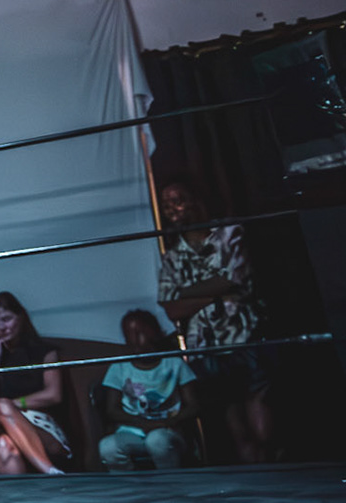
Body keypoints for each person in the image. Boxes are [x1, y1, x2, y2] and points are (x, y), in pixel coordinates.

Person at [156, 178, 274, 463]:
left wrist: (188, 292)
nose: (172, 209)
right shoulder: (173, 256)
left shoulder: (229, 234)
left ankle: (276, 463)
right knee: (231, 413)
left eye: (178, 199)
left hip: (244, 333)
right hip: (206, 345)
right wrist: (215, 293)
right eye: (166, 204)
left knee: (258, 403)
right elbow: (171, 307)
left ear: (195, 199)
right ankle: (259, 474)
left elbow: (234, 278)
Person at [0, 292, 70, 475]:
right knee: (0, 407)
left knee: (4, 445)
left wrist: (14, 405)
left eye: (7, 319)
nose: (2, 327)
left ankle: (24, 493)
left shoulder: (44, 352)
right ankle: (50, 472)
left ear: (21, 317)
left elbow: (54, 394)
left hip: (37, 423)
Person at [98, 310, 200, 471]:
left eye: (140, 333)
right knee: (108, 447)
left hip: (168, 430)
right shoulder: (119, 367)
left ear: (155, 333)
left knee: (157, 440)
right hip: (133, 430)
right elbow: (112, 410)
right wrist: (142, 423)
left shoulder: (174, 363)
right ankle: (130, 484)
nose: (135, 339)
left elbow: (193, 405)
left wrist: (168, 422)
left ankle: (171, 482)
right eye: (129, 334)